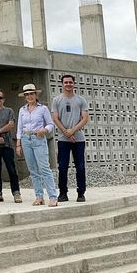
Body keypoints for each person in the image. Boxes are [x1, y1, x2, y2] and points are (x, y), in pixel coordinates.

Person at [15, 83, 59, 207]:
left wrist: (44, 130)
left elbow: (50, 124)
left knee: (44, 168)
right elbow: (19, 128)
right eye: (27, 94)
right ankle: (39, 196)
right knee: (33, 170)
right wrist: (18, 144)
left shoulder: (43, 109)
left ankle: (53, 196)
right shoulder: (22, 110)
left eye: (31, 94)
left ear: (35, 94)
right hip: (25, 138)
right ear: (24, 96)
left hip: (38, 138)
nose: (29, 96)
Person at [51, 73, 89, 202]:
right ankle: (63, 193)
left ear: (74, 83)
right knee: (62, 167)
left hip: (79, 139)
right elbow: (55, 118)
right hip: (63, 139)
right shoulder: (56, 100)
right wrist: (65, 132)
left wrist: (72, 131)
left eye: (70, 82)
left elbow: (85, 118)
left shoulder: (81, 100)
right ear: (62, 84)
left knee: (80, 166)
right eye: (66, 82)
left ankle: (81, 193)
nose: (68, 84)